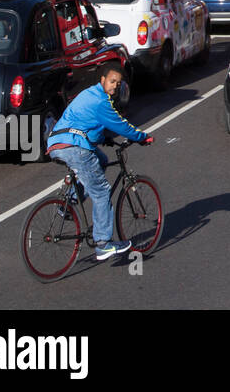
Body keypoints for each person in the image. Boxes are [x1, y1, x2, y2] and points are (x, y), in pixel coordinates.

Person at [44, 66, 153, 262]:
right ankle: (103, 244)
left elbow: (85, 122)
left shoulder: (88, 94)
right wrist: (141, 137)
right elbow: (121, 124)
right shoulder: (101, 101)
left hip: (57, 143)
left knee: (101, 160)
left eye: (118, 84)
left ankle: (68, 204)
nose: (115, 87)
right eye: (112, 82)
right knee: (101, 191)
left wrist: (104, 138)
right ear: (102, 80)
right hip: (75, 146)